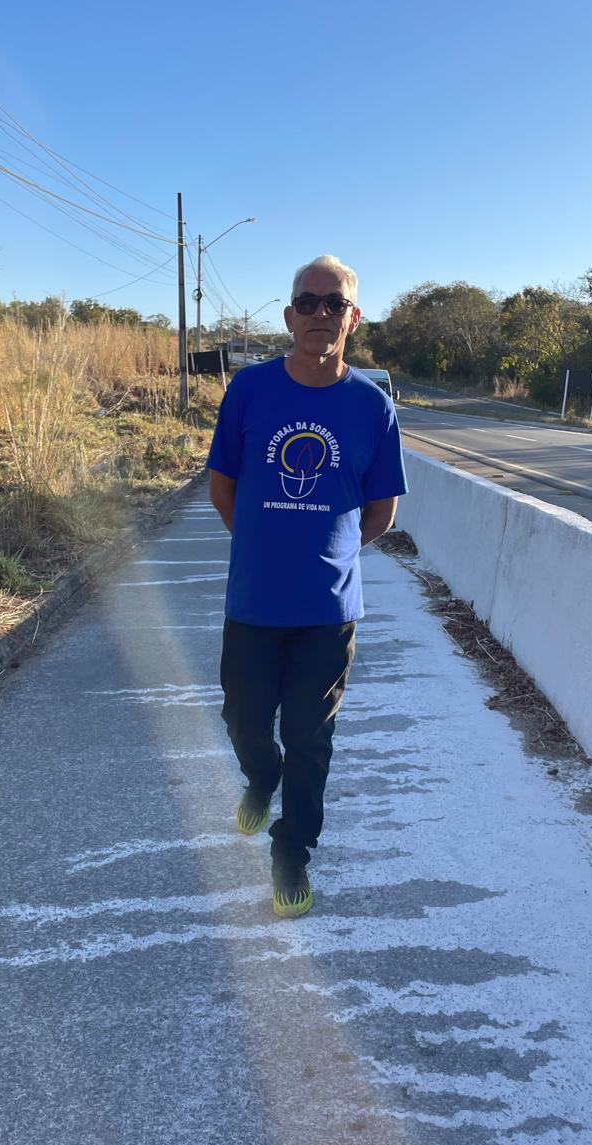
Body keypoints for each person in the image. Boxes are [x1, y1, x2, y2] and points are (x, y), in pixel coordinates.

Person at [206, 254, 407, 918]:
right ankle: (261, 777)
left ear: (354, 317)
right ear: (290, 316)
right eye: (308, 302)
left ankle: (292, 849)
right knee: (243, 719)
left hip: (328, 610)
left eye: (334, 303)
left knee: (310, 738)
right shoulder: (249, 390)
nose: (321, 313)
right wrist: (266, 547)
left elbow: (381, 514)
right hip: (254, 601)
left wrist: (329, 556)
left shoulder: (372, 407)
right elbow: (223, 487)